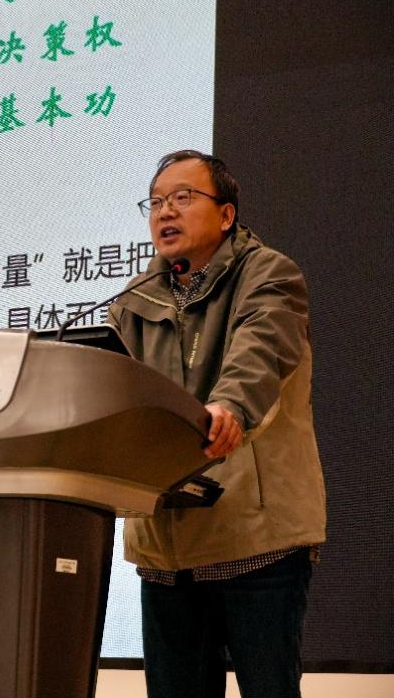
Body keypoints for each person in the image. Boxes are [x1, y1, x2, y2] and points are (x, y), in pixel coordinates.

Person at [107, 150, 327, 698]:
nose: (165, 211)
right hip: (165, 543)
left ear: (226, 214)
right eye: (156, 202)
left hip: (254, 535)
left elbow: (261, 352)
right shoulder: (132, 301)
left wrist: (229, 408)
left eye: (183, 197)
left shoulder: (269, 274)